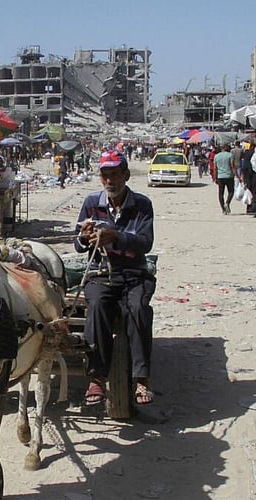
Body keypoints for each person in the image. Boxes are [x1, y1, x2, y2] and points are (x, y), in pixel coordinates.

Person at [75, 150, 156, 406]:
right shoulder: (91, 203)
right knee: (96, 305)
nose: (110, 181)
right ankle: (97, 376)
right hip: (102, 272)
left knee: (138, 309)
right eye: (105, 176)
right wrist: (85, 237)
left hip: (133, 273)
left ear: (126, 175)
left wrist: (116, 236)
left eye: (114, 175)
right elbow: (78, 245)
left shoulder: (142, 204)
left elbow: (145, 242)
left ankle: (141, 378)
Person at [212, 144, 234, 215]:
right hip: (229, 176)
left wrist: (215, 177)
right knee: (231, 191)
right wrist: (236, 175)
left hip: (220, 177)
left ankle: (223, 209)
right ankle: (227, 203)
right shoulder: (230, 155)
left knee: (221, 193)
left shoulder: (217, 156)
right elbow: (232, 166)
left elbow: (215, 168)